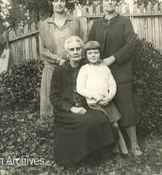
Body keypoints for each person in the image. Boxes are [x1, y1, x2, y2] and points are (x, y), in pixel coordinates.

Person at [88, 0, 142, 156]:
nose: (109, 2)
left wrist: (113, 58)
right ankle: (113, 145)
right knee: (105, 108)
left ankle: (134, 144)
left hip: (121, 71)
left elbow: (131, 44)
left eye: (112, 0)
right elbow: (90, 45)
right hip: (100, 73)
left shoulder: (125, 22)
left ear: (116, 3)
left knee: (126, 106)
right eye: (106, 0)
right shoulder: (97, 24)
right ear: (102, 3)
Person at [49, 36, 118, 166]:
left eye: (78, 49)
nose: (75, 52)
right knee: (86, 122)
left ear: (82, 51)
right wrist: (71, 108)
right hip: (66, 111)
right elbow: (54, 97)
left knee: (101, 118)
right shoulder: (59, 71)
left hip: (87, 106)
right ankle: (79, 157)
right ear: (67, 53)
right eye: (71, 50)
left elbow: (102, 79)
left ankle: (96, 154)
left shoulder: (88, 67)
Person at [76, 40, 128, 155]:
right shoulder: (84, 69)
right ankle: (107, 151)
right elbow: (80, 87)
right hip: (93, 104)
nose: (93, 55)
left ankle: (123, 151)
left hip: (107, 102)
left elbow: (112, 85)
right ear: (86, 55)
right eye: (90, 53)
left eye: (96, 52)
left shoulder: (105, 68)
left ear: (100, 54)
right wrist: (93, 96)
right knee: (103, 125)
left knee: (115, 125)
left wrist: (109, 97)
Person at [39, 0, 83, 117]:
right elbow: (42, 50)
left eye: (62, 0)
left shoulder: (74, 22)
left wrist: (74, 60)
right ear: (51, 3)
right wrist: (58, 60)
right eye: (56, 1)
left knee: (72, 103)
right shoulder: (44, 25)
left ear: (66, 3)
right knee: (51, 106)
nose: (59, 3)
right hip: (53, 69)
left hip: (72, 69)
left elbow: (81, 42)